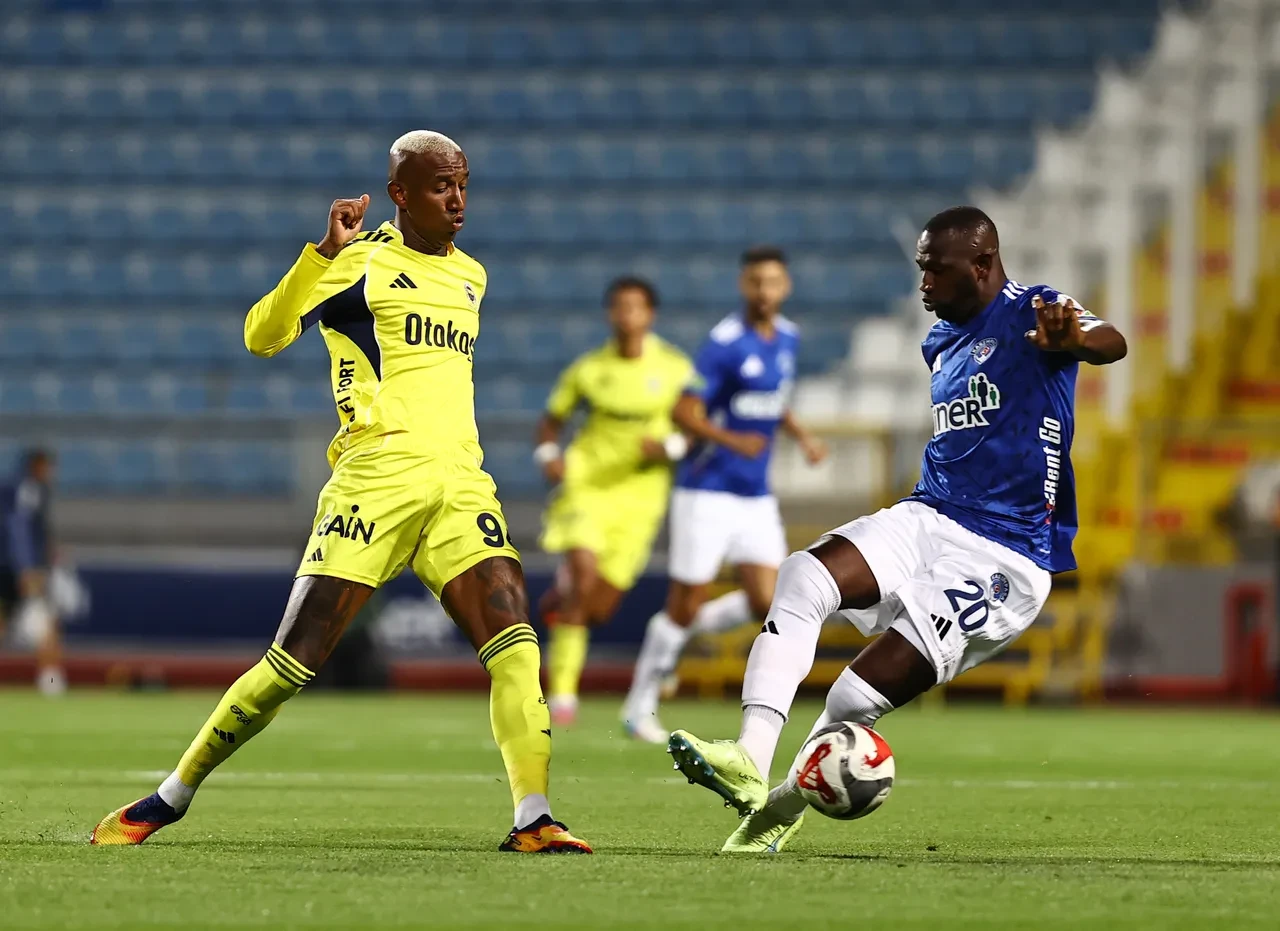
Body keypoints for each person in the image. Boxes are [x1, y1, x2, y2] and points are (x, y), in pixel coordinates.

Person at [91, 130, 591, 854]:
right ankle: (170, 796)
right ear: (399, 193)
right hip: (376, 481)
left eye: (463, 183)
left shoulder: (473, 276)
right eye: (440, 185)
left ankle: (533, 816)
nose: (458, 199)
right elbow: (261, 336)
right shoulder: (357, 264)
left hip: (460, 483)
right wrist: (320, 254)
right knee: (290, 663)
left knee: (515, 641)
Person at [667, 206, 1128, 852]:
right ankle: (748, 755)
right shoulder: (939, 339)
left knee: (855, 698)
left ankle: (780, 808)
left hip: (1004, 556)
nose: (925, 284)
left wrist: (1072, 337)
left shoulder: (1037, 309)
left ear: (983, 265)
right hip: (929, 513)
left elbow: (1112, 340)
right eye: (920, 270)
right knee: (804, 575)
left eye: (936, 271)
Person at [620, 247, 827, 743]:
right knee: (686, 602)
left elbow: (773, 401)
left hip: (755, 495)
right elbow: (682, 411)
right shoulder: (724, 343)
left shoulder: (789, 338)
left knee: (768, 600)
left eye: (773, 282)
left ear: (785, 287)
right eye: (755, 282)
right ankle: (639, 706)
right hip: (706, 492)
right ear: (744, 286)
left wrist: (801, 437)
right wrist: (733, 440)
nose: (764, 291)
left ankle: (674, 634)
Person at [533, 277, 693, 730]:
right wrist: (549, 456)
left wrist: (674, 448)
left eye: (635, 308)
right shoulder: (589, 369)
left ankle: (561, 602)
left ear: (650, 315)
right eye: (619, 307)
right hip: (587, 486)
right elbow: (550, 422)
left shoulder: (675, 368)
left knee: (596, 607)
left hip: (641, 499)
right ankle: (562, 695)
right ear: (610, 314)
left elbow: (698, 426)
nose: (627, 316)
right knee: (583, 580)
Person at [0, 448, 64, 695]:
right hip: (18, 570)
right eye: (47, 467)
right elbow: (20, 527)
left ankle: (50, 680)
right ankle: (51, 681)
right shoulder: (29, 489)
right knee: (47, 622)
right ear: (37, 466)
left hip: (8, 565)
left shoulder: (14, 487)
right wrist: (27, 567)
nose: (51, 473)